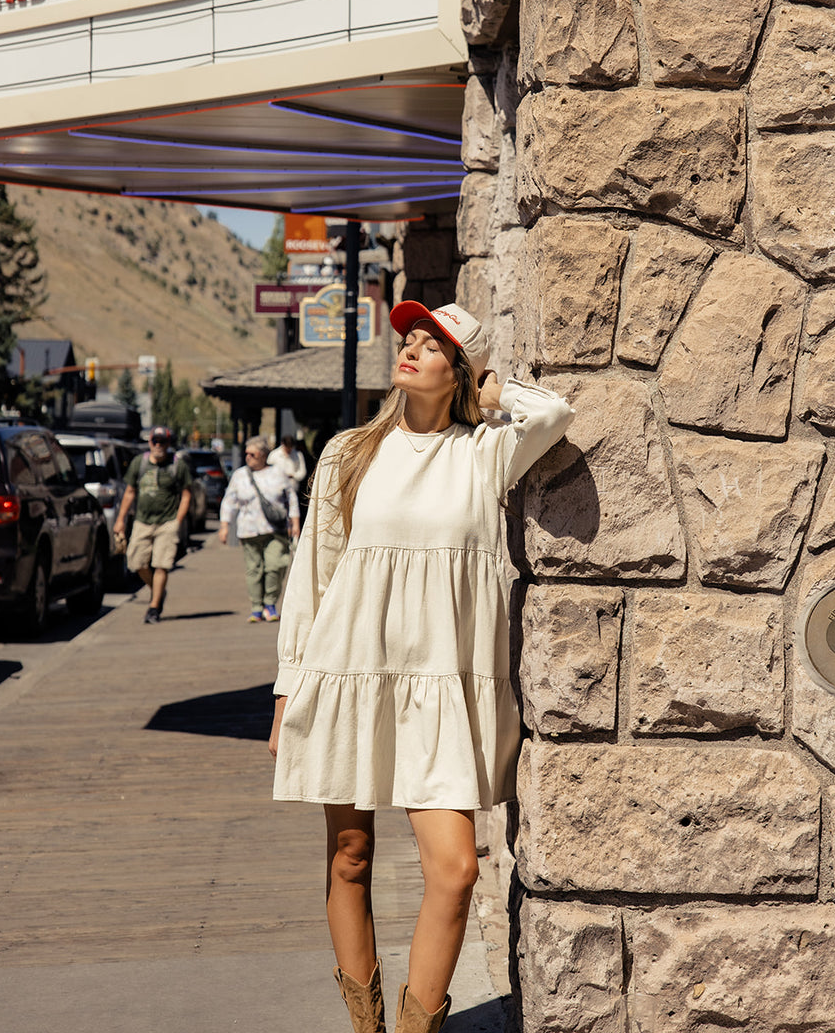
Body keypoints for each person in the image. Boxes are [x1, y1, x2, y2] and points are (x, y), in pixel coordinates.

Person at [268, 302, 575, 1033]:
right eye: (407, 339)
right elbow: (313, 578)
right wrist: (287, 692)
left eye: (433, 346)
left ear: (459, 372)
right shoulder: (349, 453)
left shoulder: (482, 453)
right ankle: (364, 1024)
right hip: (351, 669)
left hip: (442, 682)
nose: (410, 350)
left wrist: (494, 390)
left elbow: (554, 413)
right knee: (350, 854)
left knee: (457, 868)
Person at [114, 426, 192, 624]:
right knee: (136, 563)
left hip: (167, 522)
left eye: (162, 442)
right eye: (155, 441)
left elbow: (186, 494)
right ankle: (158, 591)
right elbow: (130, 491)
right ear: (150, 443)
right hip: (143, 521)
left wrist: (178, 521)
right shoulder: (139, 463)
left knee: (161, 565)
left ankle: (154, 607)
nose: (158, 445)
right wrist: (120, 520)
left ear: (168, 444)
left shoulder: (177, 465)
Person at [219, 436, 300, 623]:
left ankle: (270, 603)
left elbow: (291, 498)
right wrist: (224, 526)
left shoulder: (278, 473)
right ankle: (256, 607)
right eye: (246, 454)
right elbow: (229, 501)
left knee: (275, 566)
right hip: (249, 531)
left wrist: (295, 523)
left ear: (263, 455)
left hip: (275, 531)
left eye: (252, 454)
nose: (248, 457)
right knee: (254, 570)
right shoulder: (240, 475)